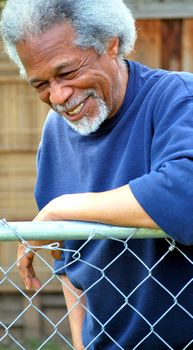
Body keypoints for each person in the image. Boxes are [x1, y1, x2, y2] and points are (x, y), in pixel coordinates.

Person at [1, 0, 193, 349]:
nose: (58, 97)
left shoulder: (177, 98)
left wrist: (63, 208)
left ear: (111, 43)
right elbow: (74, 267)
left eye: (67, 73)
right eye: (40, 84)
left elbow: (186, 193)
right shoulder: (56, 134)